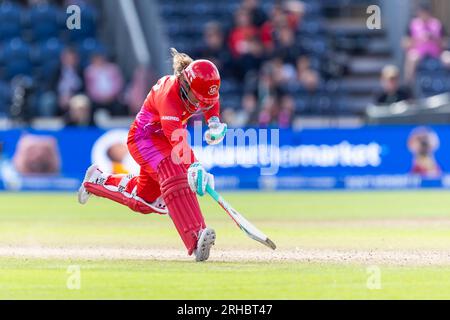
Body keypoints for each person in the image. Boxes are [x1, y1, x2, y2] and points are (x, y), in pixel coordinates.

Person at [77, 49, 228, 262]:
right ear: (186, 83)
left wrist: (213, 122)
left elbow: (211, 101)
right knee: (174, 173)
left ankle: (97, 181)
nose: (202, 104)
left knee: (145, 200)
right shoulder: (169, 95)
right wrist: (195, 167)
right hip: (144, 138)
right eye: (199, 98)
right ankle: (195, 238)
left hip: (164, 139)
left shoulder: (200, 87)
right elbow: (177, 140)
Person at [402, 2, 446, 83]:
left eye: (426, 12)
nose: (424, 15)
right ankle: (409, 86)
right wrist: (418, 39)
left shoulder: (437, 24)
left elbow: (444, 43)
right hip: (419, 54)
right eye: (422, 12)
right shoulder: (413, 24)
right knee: (411, 57)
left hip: (436, 53)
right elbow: (404, 43)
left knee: (448, 58)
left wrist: (434, 39)